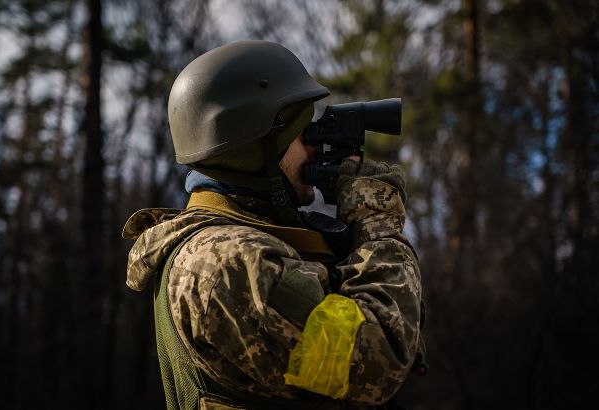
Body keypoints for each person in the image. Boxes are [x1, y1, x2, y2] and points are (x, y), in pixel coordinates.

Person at [122, 40, 425, 409]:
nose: (315, 147)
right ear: (256, 147)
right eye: (301, 132)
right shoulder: (223, 265)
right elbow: (379, 357)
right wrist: (376, 219)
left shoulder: (237, 248)